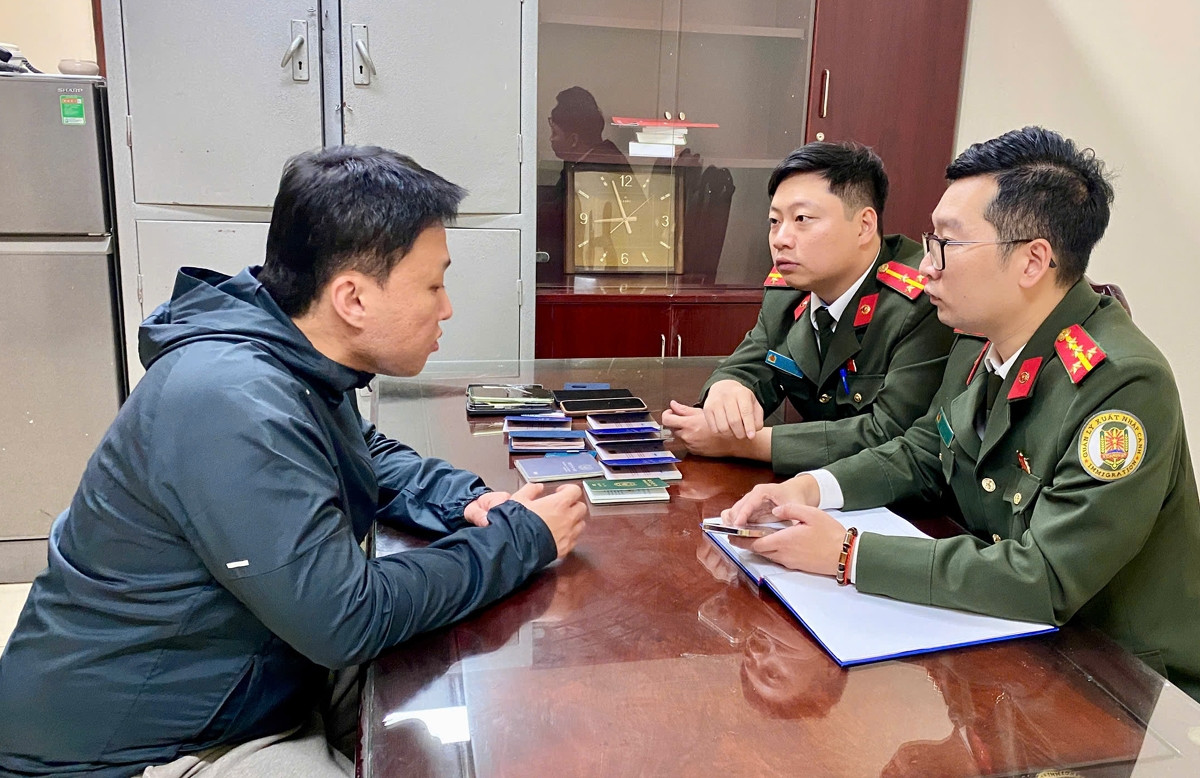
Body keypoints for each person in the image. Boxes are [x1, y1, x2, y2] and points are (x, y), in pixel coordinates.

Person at [0, 146, 587, 777]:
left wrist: (463, 500)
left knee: (459, 692)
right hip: (139, 746)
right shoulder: (230, 401)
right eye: (433, 285)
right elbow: (347, 619)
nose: (446, 308)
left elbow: (360, 452)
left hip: (250, 669)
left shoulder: (290, 353)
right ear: (352, 299)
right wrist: (521, 541)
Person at [722, 127, 1200, 699]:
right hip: (1007, 653)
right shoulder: (979, 338)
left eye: (946, 244)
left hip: (1113, 686)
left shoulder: (1120, 383)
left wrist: (849, 553)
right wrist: (809, 489)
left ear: (1032, 261)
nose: (926, 266)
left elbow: (1046, 576)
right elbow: (925, 451)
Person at [663, 142, 954, 475]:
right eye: (774, 221)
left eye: (802, 219)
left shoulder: (922, 299)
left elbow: (892, 434)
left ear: (864, 225)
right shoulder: (788, 290)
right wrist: (727, 388)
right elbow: (751, 363)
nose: (780, 239)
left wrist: (744, 444)